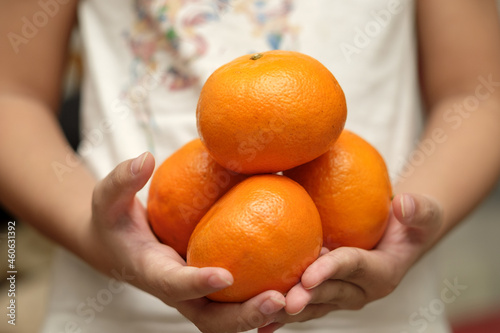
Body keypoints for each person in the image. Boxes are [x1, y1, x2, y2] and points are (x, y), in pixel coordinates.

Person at [1, 0, 500, 332]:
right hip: (117, 305)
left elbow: (480, 91)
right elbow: (9, 94)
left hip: (383, 303)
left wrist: (408, 228)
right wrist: (98, 236)